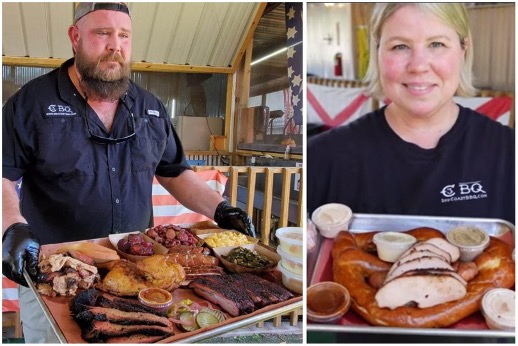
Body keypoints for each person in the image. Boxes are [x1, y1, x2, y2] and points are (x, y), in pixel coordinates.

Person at [2, 3, 254, 342]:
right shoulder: (31, 102)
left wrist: (221, 208)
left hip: (139, 272)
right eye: (102, 33)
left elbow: (174, 172)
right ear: (75, 37)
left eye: (124, 35)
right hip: (57, 275)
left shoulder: (150, 107)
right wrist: (12, 227)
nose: (115, 46)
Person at [307, 3, 514, 343]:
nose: (418, 66)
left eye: (437, 44)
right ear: (378, 52)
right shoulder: (321, 156)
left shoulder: (509, 153)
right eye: (400, 46)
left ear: (464, 49)